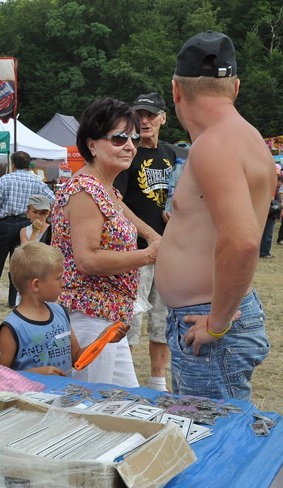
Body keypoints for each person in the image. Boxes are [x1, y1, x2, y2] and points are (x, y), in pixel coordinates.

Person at [156, 31, 273, 401]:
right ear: (235, 88)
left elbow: (242, 241)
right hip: (209, 316)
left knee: (212, 445)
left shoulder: (214, 144)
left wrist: (218, 324)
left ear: (176, 90)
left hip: (209, 323)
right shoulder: (246, 138)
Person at [0, 242, 127, 488]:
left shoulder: (60, 313)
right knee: (22, 478)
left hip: (61, 412)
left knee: (50, 477)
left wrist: (105, 337)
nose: (63, 282)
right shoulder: (11, 327)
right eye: (58, 278)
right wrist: (35, 373)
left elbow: (78, 358)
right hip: (27, 418)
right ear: (35, 284)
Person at [50, 97, 159, 387]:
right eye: (119, 138)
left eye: (134, 138)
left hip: (109, 318)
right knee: (89, 405)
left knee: (127, 400)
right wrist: (148, 255)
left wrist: (153, 236)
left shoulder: (106, 189)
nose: (130, 146)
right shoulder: (85, 190)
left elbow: (124, 213)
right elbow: (88, 259)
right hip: (88, 318)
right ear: (92, 144)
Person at [113, 92, 177, 392]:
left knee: (162, 323)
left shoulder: (172, 154)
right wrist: (148, 233)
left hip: (169, 253)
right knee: (130, 322)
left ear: (164, 117)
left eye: (151, 115)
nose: (145, 121)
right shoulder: (128, 152)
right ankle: (124, 382)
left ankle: (157, 383)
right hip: (136, 252)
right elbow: (115, 200)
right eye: (140, 115)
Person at [0, 151, 55, 307]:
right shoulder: (37, 181)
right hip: (26, 224)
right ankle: (13, 300)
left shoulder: (4, 180)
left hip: (5, 224)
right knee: (19, 264)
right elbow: (54, 199)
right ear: (29, 165)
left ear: (13, 164)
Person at [260, 175, 282, 259]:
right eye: (280, 182)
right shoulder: (269, 190)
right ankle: (264, 252)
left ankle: (266, 251)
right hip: (268, 214)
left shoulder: (275, 190)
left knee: (268, 234)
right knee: (267, 234)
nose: (281, 184)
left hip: (272, 214)